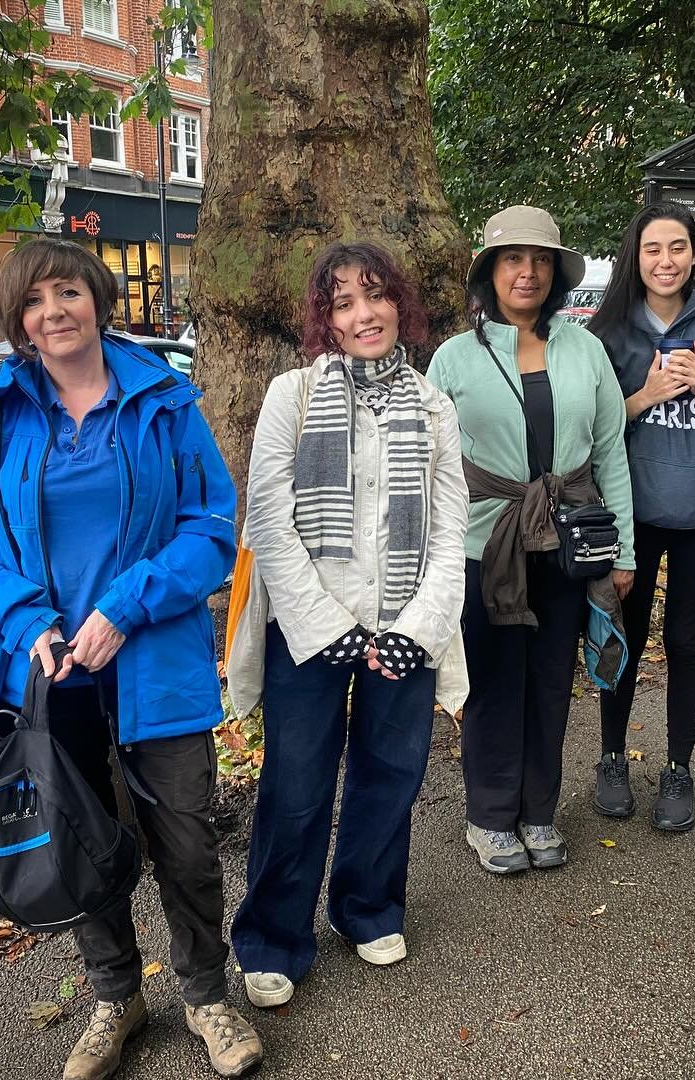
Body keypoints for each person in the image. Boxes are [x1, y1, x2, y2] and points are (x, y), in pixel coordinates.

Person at [0, 239, 262, 1080]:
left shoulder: (165, 404)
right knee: (77, 838)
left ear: (97, 299)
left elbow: (211, 530)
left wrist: (124, 605)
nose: (54, 312)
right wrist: (23, 620)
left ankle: (204, 993)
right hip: (45, 678)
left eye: (68, 291)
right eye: (34, 302)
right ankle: (117, 994)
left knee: (184, 839)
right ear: (17, 321)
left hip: (156, 668)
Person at [226, 242, 469, 1008]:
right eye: (343, 303)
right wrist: (325, 625)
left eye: (375, 296)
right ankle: (272, 937)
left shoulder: (433, 405)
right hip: (311, 628)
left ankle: (367, 907)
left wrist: (420, 627)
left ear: (400, 303)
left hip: (404, 624)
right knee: (295, 787)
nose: (364, 314)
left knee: (388, 779)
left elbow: (451, 528)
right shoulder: (291, 395)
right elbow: (268, 516)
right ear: (325, 320)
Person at [428, 205, 636, 874]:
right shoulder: (455, 357)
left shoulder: (585, 348)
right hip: (482, 546)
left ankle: (538, 810)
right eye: (513, 259)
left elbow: (609, 451)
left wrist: (623, 551)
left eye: (541, 260)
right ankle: (490, 817)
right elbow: (428, 463)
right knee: (493, 682)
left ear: (556, 274)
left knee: (551, 681)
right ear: (490, 272)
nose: (528, 271)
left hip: (568, 545)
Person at [586, 201, 695, 831]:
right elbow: (593, 431)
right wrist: (645, 396)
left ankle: (679, 767)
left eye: (677, 247)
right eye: (653, 249)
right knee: (624, 638)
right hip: (630, 516)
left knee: (685, 640)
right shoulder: (609, 331)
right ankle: (611, 757)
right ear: (636, 255)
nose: (665, 261)